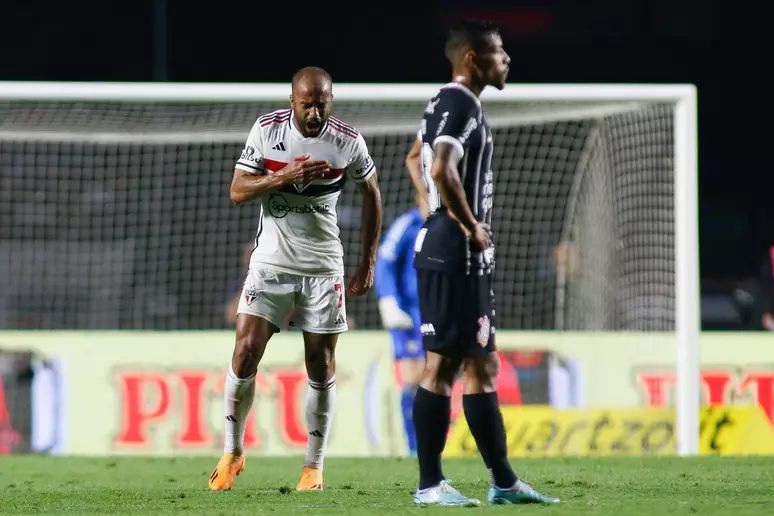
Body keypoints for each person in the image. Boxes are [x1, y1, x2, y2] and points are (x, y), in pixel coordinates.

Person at [209, 67, 383, 492]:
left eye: (322, 104)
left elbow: (372, 194)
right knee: (245, 352)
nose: (314, 113)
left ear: (331, 100)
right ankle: (232, 451)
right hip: (270, 263)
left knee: (320, 365)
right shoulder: (267, 131)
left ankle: (313, 467)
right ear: (293, 101)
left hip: (323, 267)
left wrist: (367, 262)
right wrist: (282, 177)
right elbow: (237, 191)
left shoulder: (347, 141)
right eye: (307, 104)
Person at [411, 20, 559, 506]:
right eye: (499, 51)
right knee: (443, 366)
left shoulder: (440, 102)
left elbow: (414, 158)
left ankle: (504, 482)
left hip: (454, 249)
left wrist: (431, 210)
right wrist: (468, 224)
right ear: (473, 59)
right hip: (454, 251)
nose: (507, 59)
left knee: (482, 363)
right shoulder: (461, 103)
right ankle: (430, 485)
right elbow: (439, 166)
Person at [374, 188, 428, 457]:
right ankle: (414, 447)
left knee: (436, 378)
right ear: (418, 197)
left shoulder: (449, 226)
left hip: (437, 311)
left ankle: (431, 443)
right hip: (409, 314)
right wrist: (389, 301)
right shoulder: (407, 224)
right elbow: (384, 261)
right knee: (413, 378)